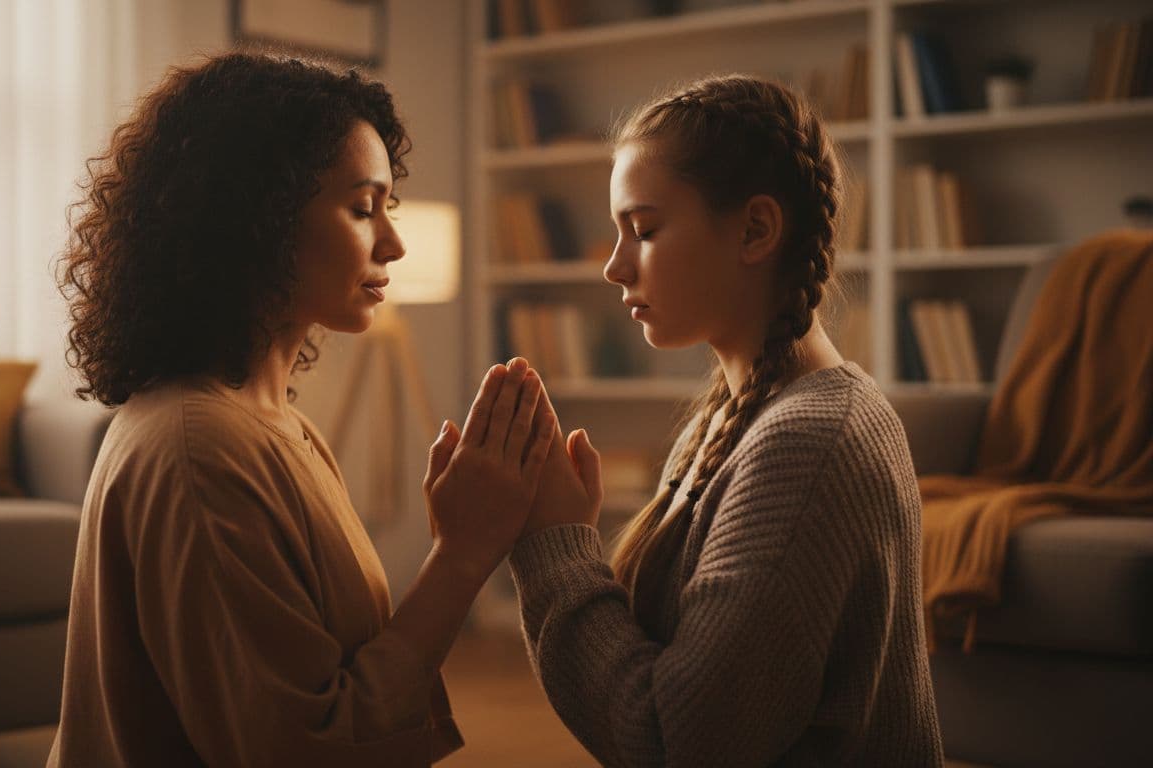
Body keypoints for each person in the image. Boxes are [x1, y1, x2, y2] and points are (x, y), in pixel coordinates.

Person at [47, 51, 555, 767]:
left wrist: (460, 544)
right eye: (360, 208)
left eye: (389, 207)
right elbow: (302, 750)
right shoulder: (201, 451)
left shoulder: (271, 424)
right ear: (259, 219)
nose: (394, 243)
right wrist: (463, 556)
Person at [511, 75, 946, 766]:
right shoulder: (736, 412)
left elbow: (679, 744)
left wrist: (554, 545)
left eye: (645, 230)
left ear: (755, 230)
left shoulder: (806, 443)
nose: (615, 267)